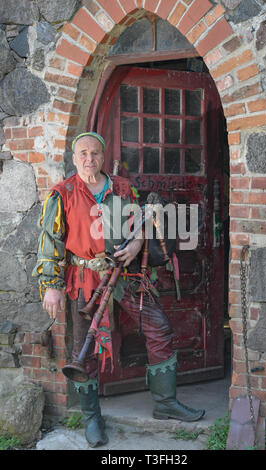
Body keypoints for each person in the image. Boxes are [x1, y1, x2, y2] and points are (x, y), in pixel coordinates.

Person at [33, 132, 205, 448]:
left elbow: (142, 220)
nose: (89, 159)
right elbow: (50, 245)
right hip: (86, 278)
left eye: (95, 153)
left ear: (103, 155)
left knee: (159, 328)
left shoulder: (123, 188)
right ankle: (92, 419)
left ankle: (165, 403)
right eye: (83, 153)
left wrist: (139, 241)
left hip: (125, 276)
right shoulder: (62, 194)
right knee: (84, 349)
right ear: (74, 158)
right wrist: (51, 287)